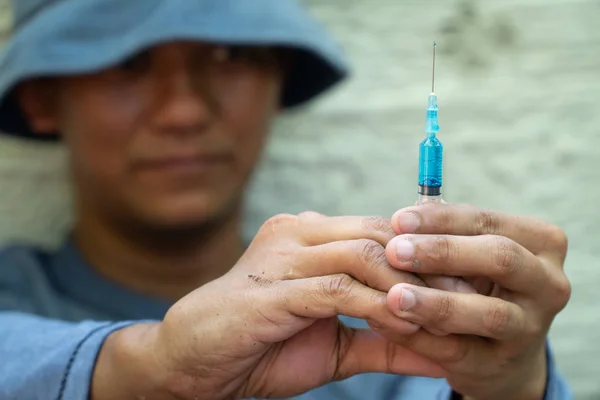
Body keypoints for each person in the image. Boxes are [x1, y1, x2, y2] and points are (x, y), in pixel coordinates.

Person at [0, 0, 573, 399]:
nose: (184, 111)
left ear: (280, 76)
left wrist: (511, 387)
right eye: (126, 63)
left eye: (229, 57)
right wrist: (152, 367)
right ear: (42, 96)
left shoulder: (381, 334)